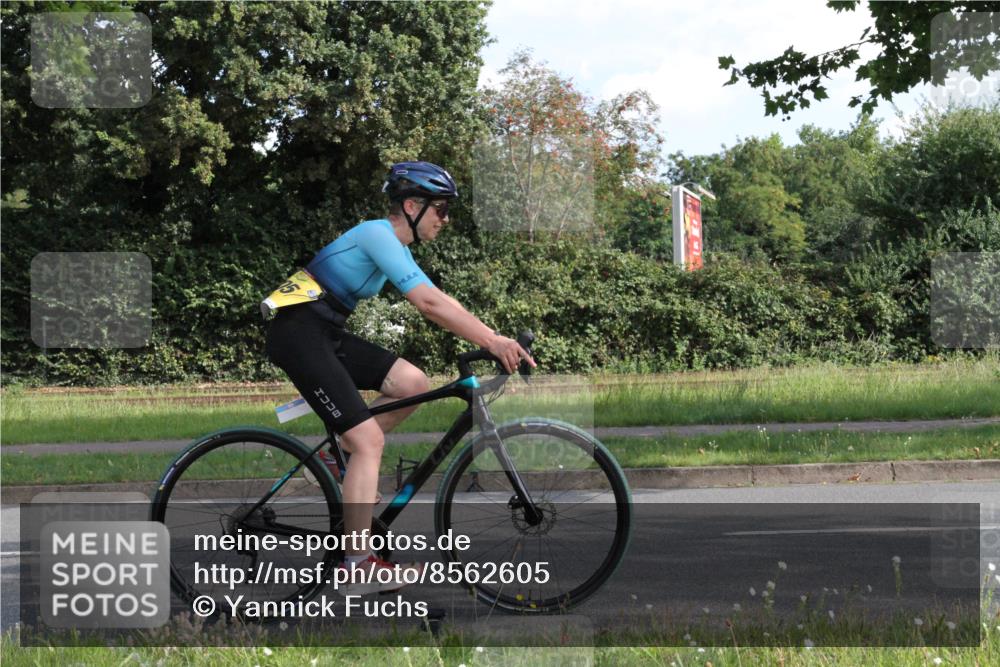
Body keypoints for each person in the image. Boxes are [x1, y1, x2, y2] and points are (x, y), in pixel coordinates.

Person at [263, 161, 534, 595]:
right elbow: (428, 304)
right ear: (412, 205)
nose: (445, 220)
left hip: (324, 332)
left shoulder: (397, 247)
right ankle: (356, 566)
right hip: (298, 335)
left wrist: (493, 339)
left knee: (412, 383)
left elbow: (442, 298)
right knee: (370, 441)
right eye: (441, 210)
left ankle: (338, 460)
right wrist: (493, 342)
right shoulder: (377, 234)